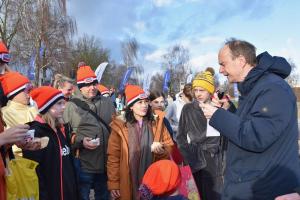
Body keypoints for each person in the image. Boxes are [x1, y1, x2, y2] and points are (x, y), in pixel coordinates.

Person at [201, 38, 300, 199]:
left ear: (241, 61)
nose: (220, 70)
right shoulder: (255, 87)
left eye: (223, 64)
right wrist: (228, 110)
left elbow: (256, 136)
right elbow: (250, 125)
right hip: (251, 184)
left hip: (264, 189)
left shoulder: (272, 88)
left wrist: (217, 115)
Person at [107, 85, 174, 200]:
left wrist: (161, 151)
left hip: (153, 181)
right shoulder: (119, 127)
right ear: (131, 106)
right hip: (127, 180)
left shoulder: (157, 123)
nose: (144, 106)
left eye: (146, 102)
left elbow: (169, 147)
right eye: (140, 102)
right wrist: (114, 183)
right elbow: (113, 158)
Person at [63, 62, 115, 200]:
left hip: (106, 164)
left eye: (94, 83)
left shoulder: (108, 103)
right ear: (80, 87)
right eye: (87, 85)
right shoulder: (70, 106)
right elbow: (64, 137)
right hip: (84, 165)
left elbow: (115, 129)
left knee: (104, 197)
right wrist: (81, 141)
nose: (92, 87)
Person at [22, 86, 78, 200]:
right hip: (49, 194)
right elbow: (34, 171)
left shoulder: (60, 129)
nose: (64, 107)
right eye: (59, 104)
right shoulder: (35, 132)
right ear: (46, 106)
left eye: (64, 103)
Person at [176, 69, 223, 200]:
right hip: (196, 159)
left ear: (210, 90)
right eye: (196, 90)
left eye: (202, 90)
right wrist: (189, 156)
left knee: (215, 195)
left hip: (215, 160)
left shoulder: (217, 109)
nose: (198, 94)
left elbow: (224, 138)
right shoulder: (188, 109)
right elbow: (180, 137)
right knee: (196, 195)